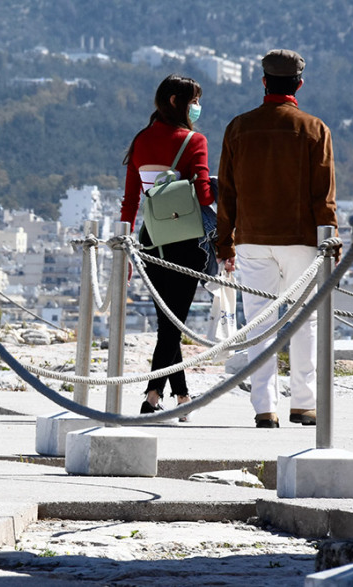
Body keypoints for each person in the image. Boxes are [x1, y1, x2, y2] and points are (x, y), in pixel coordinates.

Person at [217, 49, 337, 428]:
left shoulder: (238, 128)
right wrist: (329, 242)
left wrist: (225, 243)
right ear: (299, 84)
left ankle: (264, 407)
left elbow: (227, 193)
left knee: (257, 324)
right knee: (306, 321)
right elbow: (324, 196)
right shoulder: (315, 129)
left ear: (264, 81)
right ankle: (304, 404)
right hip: (302, 241)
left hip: (252, 239)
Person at [120, 74, 215, 419]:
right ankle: (151, 396)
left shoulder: (141, 140)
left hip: (149, 241)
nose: (197, 108)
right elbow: (204, 195)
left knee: (167, 324)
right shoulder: (194, 141)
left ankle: (183, 397)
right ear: (176, 101)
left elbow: (130, 201)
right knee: (172, 325)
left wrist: (127, 250)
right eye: (194, 101)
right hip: (184, 243)